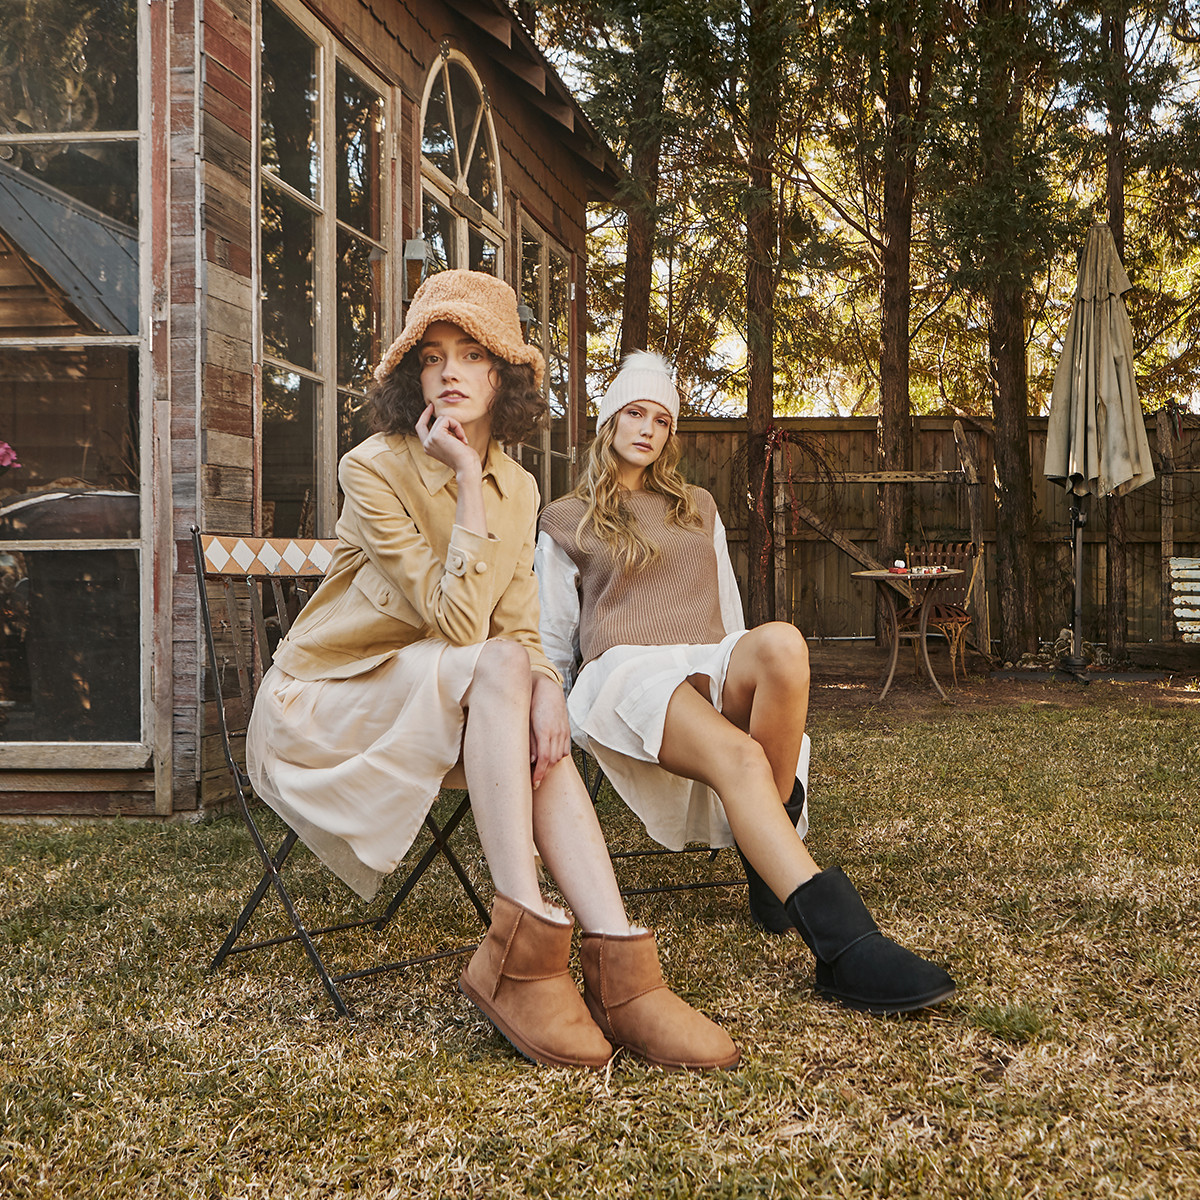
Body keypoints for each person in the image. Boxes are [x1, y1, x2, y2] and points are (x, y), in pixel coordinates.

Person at [246, 274, 739, 1070]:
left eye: (472, 354)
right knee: (507, 672)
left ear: (500, 377)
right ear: (414, 377)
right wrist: (467, 486)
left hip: (448, 699)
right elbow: (457, 621)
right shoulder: (372, 469)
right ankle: (522, 941)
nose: (450, 372)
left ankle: (619, 966)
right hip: (331, 704)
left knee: (534, 716)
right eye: (433, 356)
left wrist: (548, 689)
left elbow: (517, 626)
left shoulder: (522, 487)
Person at [535, 351, 956, 1014]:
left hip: (701, 657)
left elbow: (726, 614)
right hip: (621, 674)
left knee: (783, 644)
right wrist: (549, 704)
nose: (647, 428)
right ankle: (845, 945)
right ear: (610, 420)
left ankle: (767, 865)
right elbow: (553, 632)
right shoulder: (567, 516)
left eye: (662, 419)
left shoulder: (696, 506)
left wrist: (733, 671)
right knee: (740, 757)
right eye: (635, 413)